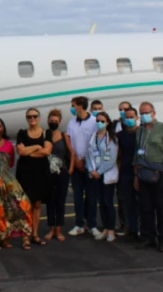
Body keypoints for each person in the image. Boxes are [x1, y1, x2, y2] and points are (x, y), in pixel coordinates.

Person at [0, 118, 33, 250]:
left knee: (17, 206)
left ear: (3, 128)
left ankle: (5, 237)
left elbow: (11, 163)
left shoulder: (8, 144)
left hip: (7, 181)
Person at [134, 101, 163, 252]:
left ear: (154, 113)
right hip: (143, 172)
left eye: (147, 112)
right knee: (145, 207)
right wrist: (136, 177)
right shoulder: (140, 131)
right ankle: (148, 237)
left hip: (160, 172)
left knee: (162, 207)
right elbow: (136, 154)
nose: (144, 115)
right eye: (142, 113)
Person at [16, 108, 52, 246]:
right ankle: (25, 236)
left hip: (40, 172)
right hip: (25, 173)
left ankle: (34, 234)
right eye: (29, 116)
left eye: (34, 116)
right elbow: (20, 151)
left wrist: (29, 152)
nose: (32, 119)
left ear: (39, 117)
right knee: (25, 205)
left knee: (37, 204)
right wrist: (37, 146)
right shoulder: (22, 133)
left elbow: (47, 151)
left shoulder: (46, 132)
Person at [66, 96, 97, 236]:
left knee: (91, 196)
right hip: (76, 165)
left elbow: (95, 143)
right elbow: (70, 142)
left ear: (80, 106)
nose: (71, 108)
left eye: (73, 105)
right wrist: (76, 161)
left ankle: (92, 224)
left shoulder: (94, 122)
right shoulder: (71, 123)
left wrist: (84, 160)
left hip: (90, 165)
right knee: (77, 196)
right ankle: (79, 224)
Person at [87, 112, 119, 242]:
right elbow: (88, 155)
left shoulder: (112, 138)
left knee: (108, 203)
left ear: (107, 122)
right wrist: (91, 170)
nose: (99, 122)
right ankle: (105, 228)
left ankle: (111, 229)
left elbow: (111, 160)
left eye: (102, 120)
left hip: (106, 176)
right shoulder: (93, 136)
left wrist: (99, 172)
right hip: (95, 175)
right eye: (98, 120)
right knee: (101, 203)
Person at [44, 109, 74, 242]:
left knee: (60, 201)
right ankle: (51, 229)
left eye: (56, 121)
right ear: (48, 121)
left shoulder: (64, 136)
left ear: (60, 122)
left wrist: (71, 169)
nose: (53, 123)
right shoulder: (44, 135)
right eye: (51, 121)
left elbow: (72, 153)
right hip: (48, 173)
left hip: (62, 172)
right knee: (50, 201)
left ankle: (59, 230)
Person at [116, 107, 141, 241]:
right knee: (128, 203)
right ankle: (132, 230)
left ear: (137, 118)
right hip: (125, 173)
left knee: (141, 204)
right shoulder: (120, 135)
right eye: (127, 118)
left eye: (132, 117)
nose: (129, 120)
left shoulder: (141, 133)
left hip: (139, 173)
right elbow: (119, 155)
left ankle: (142, 231)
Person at [114, 101, 133, 236]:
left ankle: (135, 228)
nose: (123, 112)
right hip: (122, 169)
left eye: (125, 109)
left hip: (135, 170)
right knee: (122, 199)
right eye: (120, 109)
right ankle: (124, 225)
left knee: (136, 201)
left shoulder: (139, 131)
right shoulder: (117, 128)